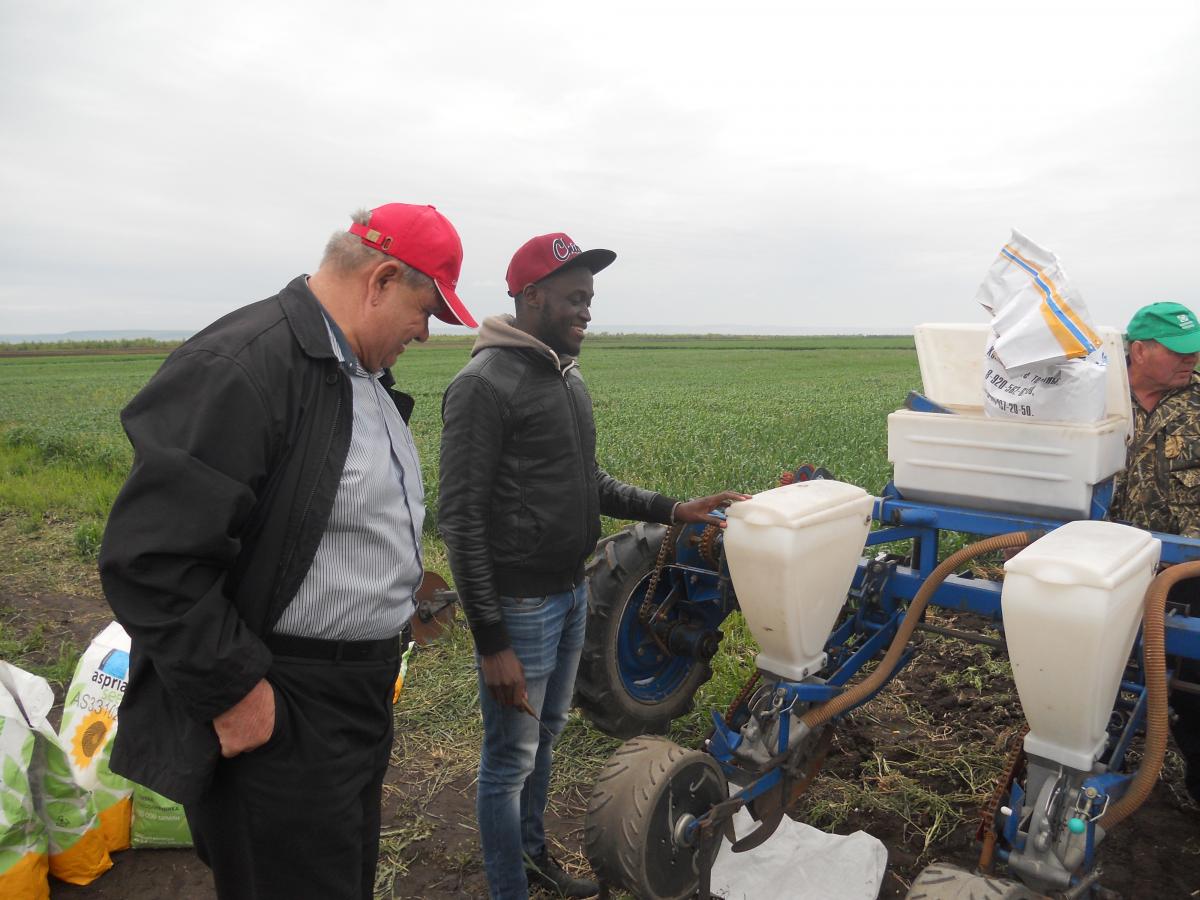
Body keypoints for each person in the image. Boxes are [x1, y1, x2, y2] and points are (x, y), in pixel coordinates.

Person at [98, 203, 477, 900]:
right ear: (382, 279)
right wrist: (234, 692)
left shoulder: (353, 373)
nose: (425, 335)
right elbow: (150, 559)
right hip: (285, 702)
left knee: (336, 877)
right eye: (427, 313)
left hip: (354, 699)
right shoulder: (248, 365)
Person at [437, 232, 747, 899]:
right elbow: (459, 519)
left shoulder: (563, 378)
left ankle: (534, 857)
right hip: (520, 607)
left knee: (544, 742)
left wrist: (675, 508)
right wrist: (491, 642)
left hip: (569, 594)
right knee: (508, 761)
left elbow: (590, 482)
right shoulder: (482, 385)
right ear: (530, 296)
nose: (586, 312)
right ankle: (509, 888)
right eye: (575, 299)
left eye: (591, 299)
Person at [1108, 300, 1200, 804]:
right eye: (1180, 351)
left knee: (1189, 684)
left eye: (1196, 350)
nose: (1193, 359)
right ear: (1139, 350)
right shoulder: (1093, 402)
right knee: (1102, 673)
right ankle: (1093, 765)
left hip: (1188, 573)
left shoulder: (1197, 404)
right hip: (1109, 567)